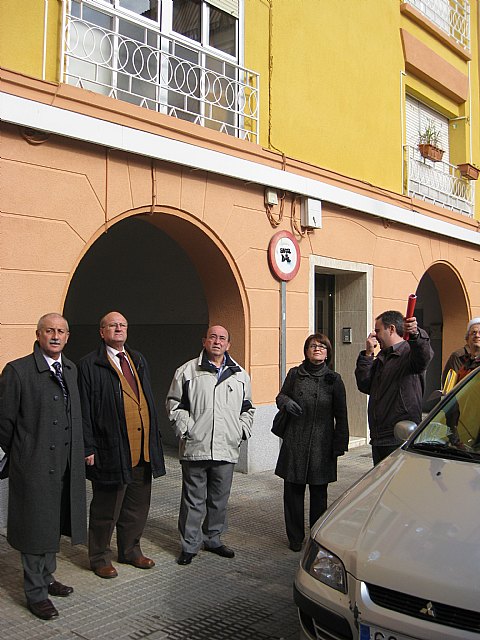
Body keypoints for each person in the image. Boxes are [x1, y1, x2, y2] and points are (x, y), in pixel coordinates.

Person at [0, 313, 87, 620]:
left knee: (53, 522)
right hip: (34, 465)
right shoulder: (17, 371)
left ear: (67, 337)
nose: (55, 336)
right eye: (49, 331)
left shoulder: (71, 369)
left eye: (61, 331)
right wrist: (23, 454)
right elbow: (4, 423)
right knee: (35, 528)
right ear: (38, 335)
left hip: (64, 463)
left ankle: (47, 577)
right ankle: (35, 592)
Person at [78, 311, 166, 579]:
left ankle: (130, 550)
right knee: (106, 508)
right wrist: (88, 447)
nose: (118, 328)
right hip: (110, 448)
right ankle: (99, 557)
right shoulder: (89, 364)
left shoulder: (137, 359)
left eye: (122, 325)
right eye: (112, 325)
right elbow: (84, 410)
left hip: (142, 448)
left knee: (136, 507)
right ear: (102, 332)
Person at [166, 325, 255, 566]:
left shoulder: (240, 375)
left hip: (226, 447)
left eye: (222, 338)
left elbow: (247, 408)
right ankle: (189, 545)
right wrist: (186, 429)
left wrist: (241, 431)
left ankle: (213, 539)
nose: (217, 341)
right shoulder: (187, 371)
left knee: (219, 500)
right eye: (213, 337)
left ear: (228, 344)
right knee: (193, 500)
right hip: (196, 446)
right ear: (204, 341)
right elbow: (174, 404)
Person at [274, 333, 349, 552]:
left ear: (327, 353)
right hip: (295, 441)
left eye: (322, 346)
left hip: (321, 444)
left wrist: (339, 444)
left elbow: (341, 415)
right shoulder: (295, 374)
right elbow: (280, 396)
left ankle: (316, 536)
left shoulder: (334, 379)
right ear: (306, 351)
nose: (317, 349)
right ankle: (295, 538)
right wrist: (286, 402)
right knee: (293, 493)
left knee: (319, 495)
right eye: (313, 346)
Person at [355, 310, 434, 466]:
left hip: (399, 436)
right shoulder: (381, 358)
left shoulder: (409, 354)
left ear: (391, 329)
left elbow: (424, 355)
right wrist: (367, 355)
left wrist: (416, 334)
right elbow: (364, 385)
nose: (375, 335)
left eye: (378, 330)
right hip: (379, 437)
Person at [441, 317, 480, 386]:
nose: (477, 335)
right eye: (473, 333)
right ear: (467, 339)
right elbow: (449, 385)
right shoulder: (460, 360)